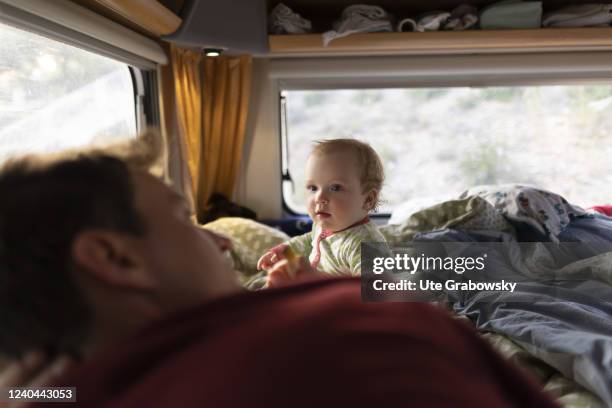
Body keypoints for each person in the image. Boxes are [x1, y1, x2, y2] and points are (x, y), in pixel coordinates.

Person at [0, 139, 557, 407]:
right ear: (116, 259)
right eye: (183, 219)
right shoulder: (365, 339)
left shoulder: (60, 392)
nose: (219, 238)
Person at [257, 139, 389, 286]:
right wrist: (285, 252)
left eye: (335, 188)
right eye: (313, 188)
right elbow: (308, 242)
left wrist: (316, 279)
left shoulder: (366, 244)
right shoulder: (323, 226)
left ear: (368, 200)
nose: (319, 198)